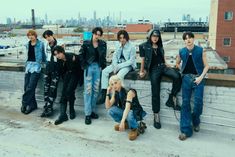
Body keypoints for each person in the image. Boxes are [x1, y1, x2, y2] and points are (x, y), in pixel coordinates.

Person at [139, 29, 181, 129]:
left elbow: (163, 58)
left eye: (157, 37)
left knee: (177, 76)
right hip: (153, 70)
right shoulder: (144, 46)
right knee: (155, 92)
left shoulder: (160, 46)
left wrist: (168, 65)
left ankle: (171, 99)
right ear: (150, 36)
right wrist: (142, 71)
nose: (155, 38)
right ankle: (156, 115)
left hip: (163, 67)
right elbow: (143, 60)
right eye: (153, 36)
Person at [176, 31, 209, 141]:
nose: (188, 40)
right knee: (185, 103)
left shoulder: (200, 50)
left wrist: (201, 77)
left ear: (193, 39)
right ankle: (185, 130)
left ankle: (195, 121)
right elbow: (177, 63)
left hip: (198, 78)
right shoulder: (181, 51)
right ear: (184, 40)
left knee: (198, 102)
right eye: (186, 38)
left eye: (190, 38)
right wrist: (181, 70)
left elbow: (207, 66)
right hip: (186, 79)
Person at [97, 30, 136, 104]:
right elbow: (115, 56)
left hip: (127, 65)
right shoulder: (118, 45)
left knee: (119, 76)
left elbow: (131, 61)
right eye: (120, 38)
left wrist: (118, 66)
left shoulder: (131, 47)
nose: (122, 40)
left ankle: (118, 96)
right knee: (104, 72)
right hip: (117, 63)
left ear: (126, 38)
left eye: (123, 38)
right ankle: (104, 93)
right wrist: (115, 65)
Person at [78, 27, 107, 125]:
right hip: (89, 68)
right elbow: (80, 55)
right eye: (96, 34)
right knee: (88, 91)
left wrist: (102, 66)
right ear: (92, 34)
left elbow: (103, 57)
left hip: (97, 68)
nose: (97, 36)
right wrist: (85, 66)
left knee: (95, 90)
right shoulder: (86, 43)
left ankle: (92, 111)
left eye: (99, 35)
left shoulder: (103, 44)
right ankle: (87, 114)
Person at [105, 75, 146, 141]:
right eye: (112, 84)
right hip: (126, 112)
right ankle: (127, 124)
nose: (114, 86)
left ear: (120, 82)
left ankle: (134, 128)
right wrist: (107, 92)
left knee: (129, 113)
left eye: (115, 83)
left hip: (134, 112)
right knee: (111, 110)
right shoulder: (116, 92)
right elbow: (107, 106)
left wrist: (122, 121)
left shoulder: (129, 92)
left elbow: (127, 108)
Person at [53, 46, 83, 125]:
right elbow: (61, 71)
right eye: (56, 54)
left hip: (75, 75)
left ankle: (71, 109)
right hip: (67, 75)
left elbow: (80, 65)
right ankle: (63, 115)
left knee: (69, 91)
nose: (58, 56)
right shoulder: (59, 61)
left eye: (59, 53)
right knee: (64, 93)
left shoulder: (71, 56)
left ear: (62, 52)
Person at [21, 30, 46, 114]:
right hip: (28, 66)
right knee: (26, 86)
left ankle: (24, 103)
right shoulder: (27, 44)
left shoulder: (41, 44)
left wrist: (45, 65)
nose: (31, 37)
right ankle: (32, 105)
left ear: (35, 36)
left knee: (31, 86)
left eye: (32, 35)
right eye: (29, 35)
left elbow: (44, 55)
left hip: (36, 66)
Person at [40, 30, 62, 117]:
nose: (48, 38)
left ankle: (49, 107)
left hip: (56, 68)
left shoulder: (59, 44)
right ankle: (46, 106)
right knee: (46, 88)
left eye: (49, 36)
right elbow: (46, 56)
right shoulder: (46, 45)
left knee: (53, 88)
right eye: (46, 37)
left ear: (52, 35)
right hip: (48, 67)